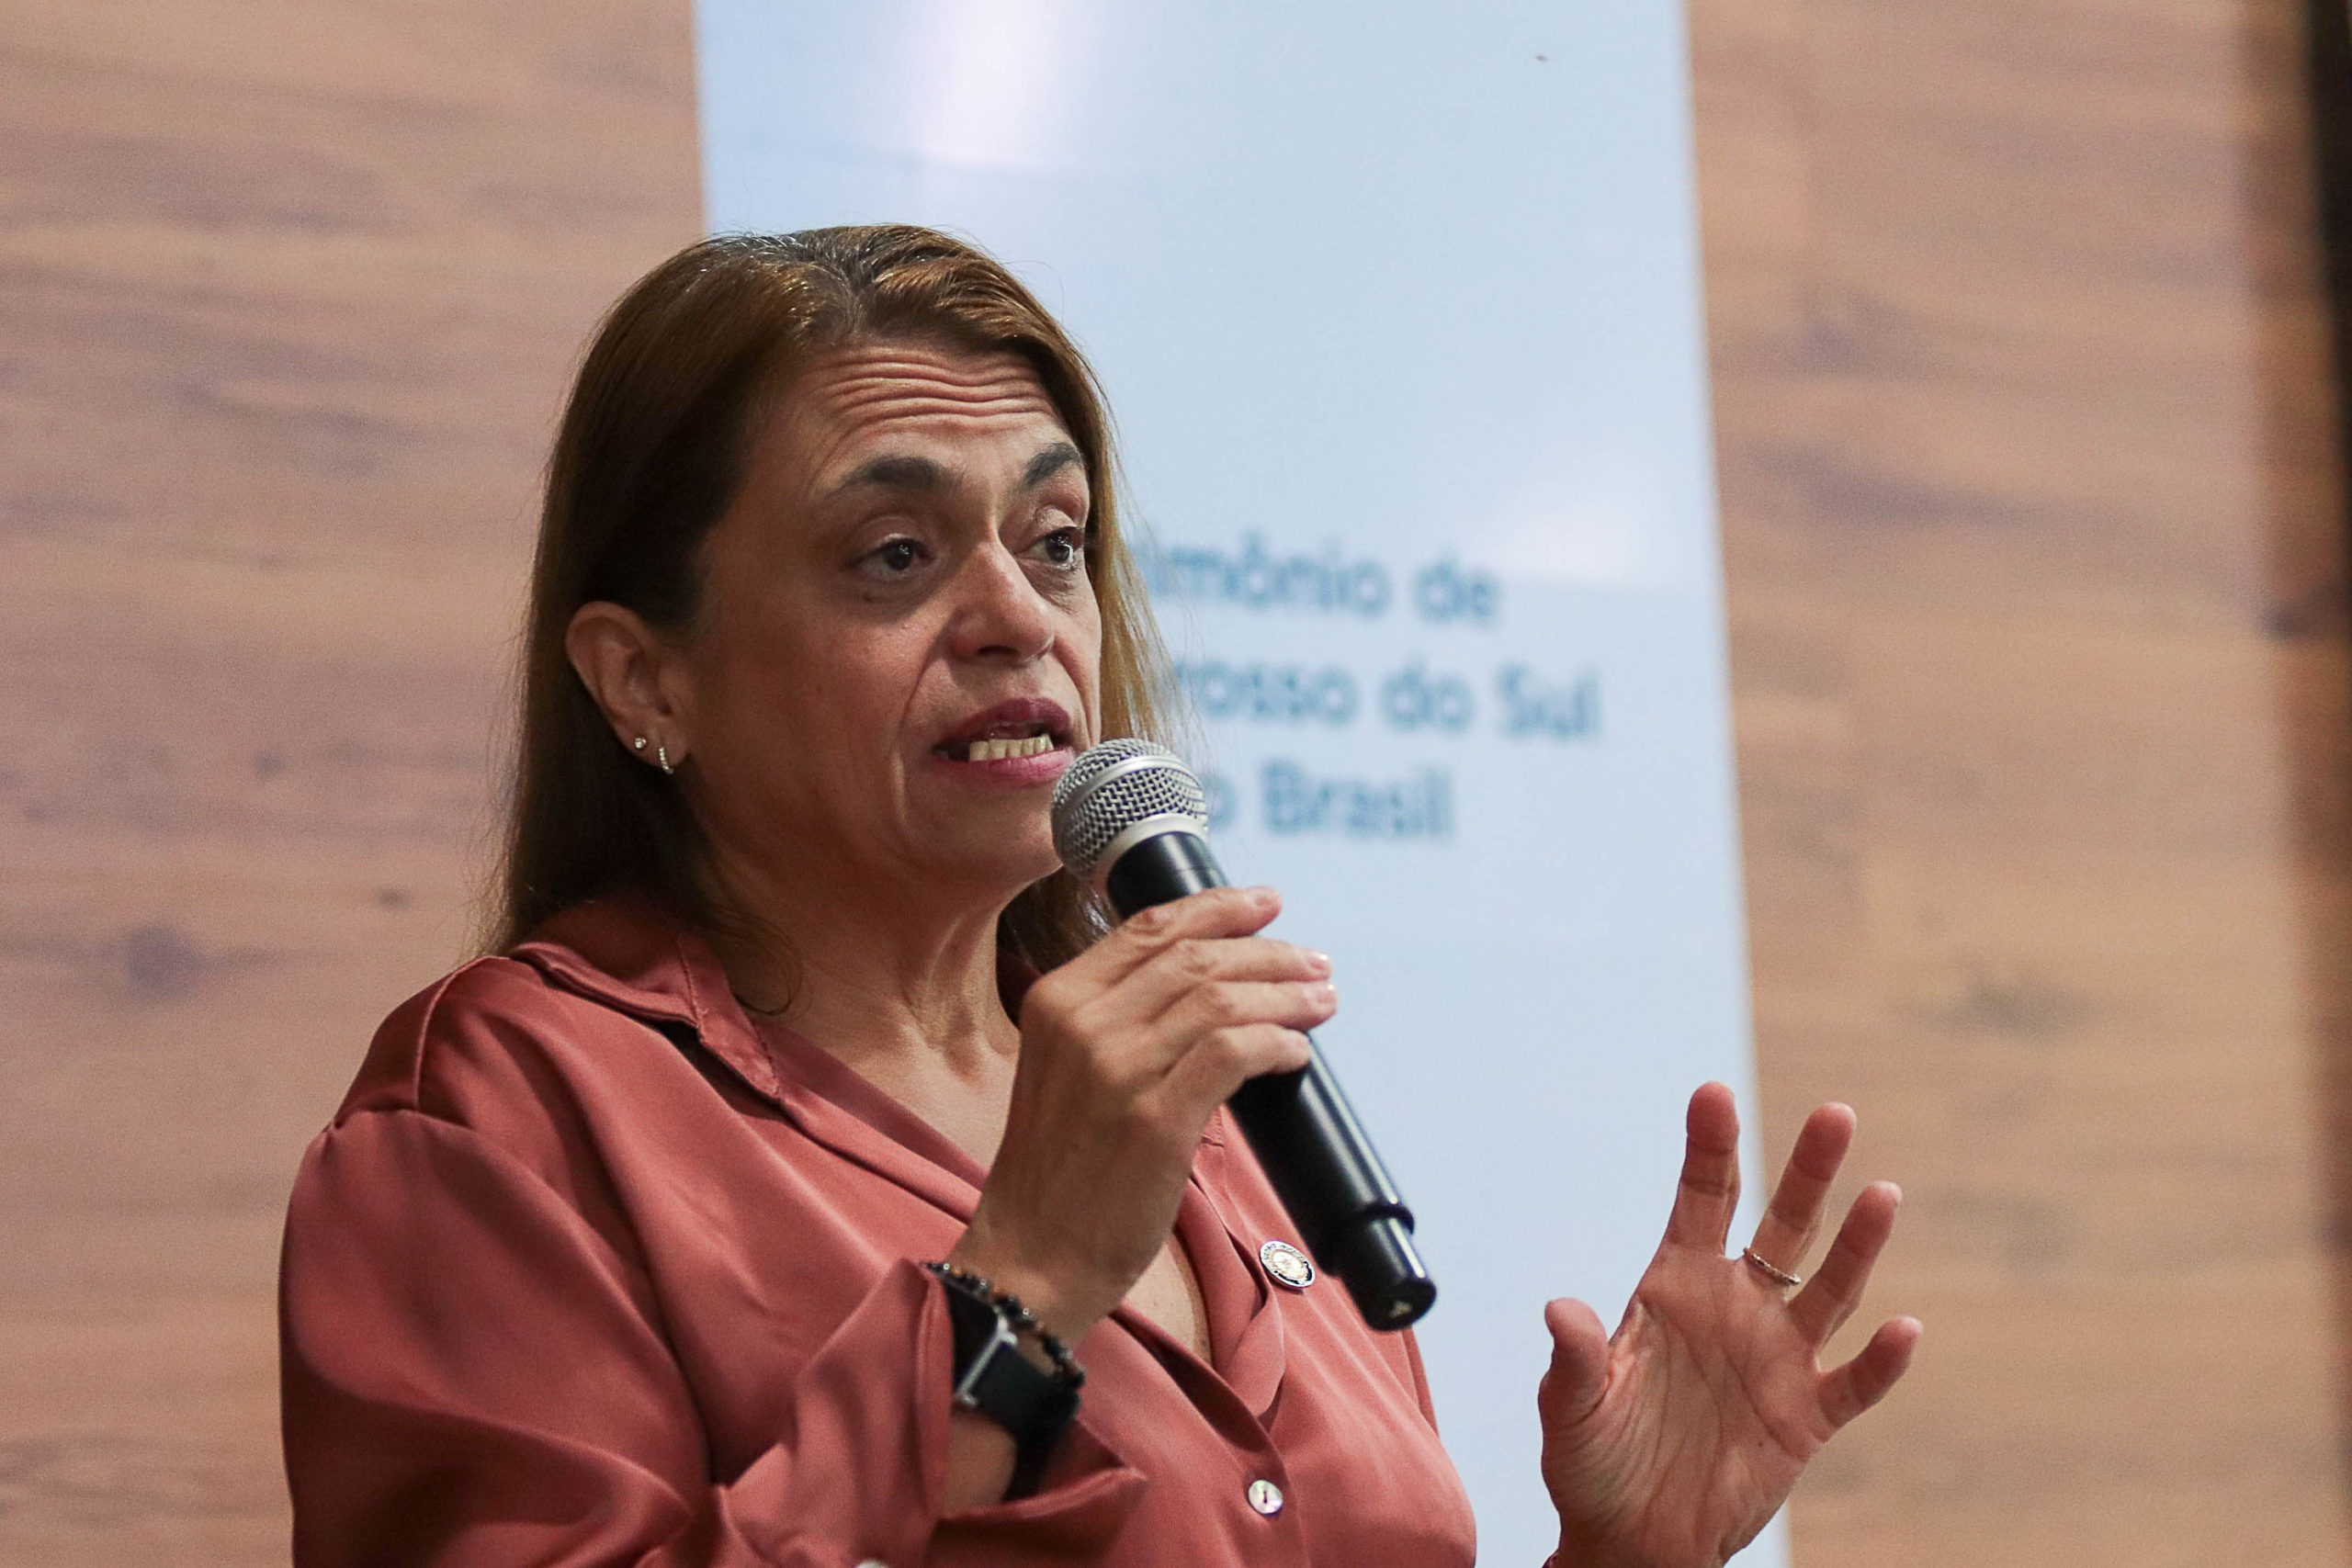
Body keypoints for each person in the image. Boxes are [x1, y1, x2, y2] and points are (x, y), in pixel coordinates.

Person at [277, 226, 1918, 1567]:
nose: (1020, 615)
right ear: (646, 679)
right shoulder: (505, 1115)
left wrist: (1621, 1564)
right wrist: (1016, 1293)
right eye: (895, 555)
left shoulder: (1197, 1115)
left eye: (1055, 541)